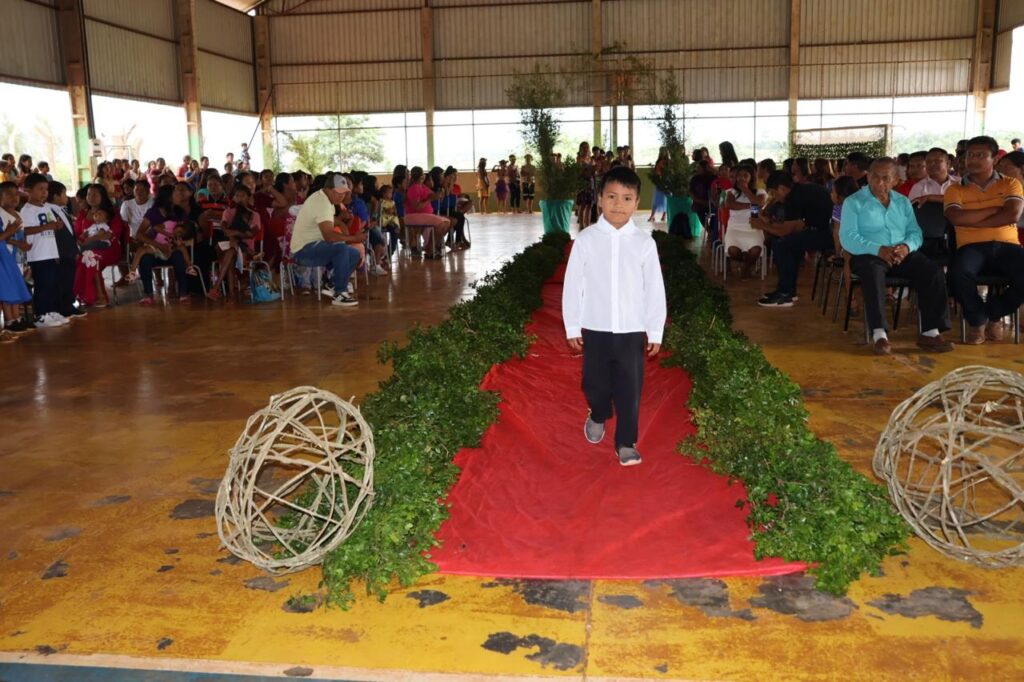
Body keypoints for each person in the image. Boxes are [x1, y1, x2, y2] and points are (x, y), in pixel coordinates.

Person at [563, 165, 666, 467]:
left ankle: (626, 441)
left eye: (626, 198)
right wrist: (572, 325)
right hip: (594, 327)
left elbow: (654, 289)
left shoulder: (645, 243)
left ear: (636, 203)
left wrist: (655, 330)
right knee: (593, 383)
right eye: (611, 197)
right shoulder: (586, 239)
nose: (618, 205)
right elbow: (573, 284)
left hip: (632, 330)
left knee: (629, 389)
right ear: (599, 199)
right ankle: (598, 412)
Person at [839, 158, 954, 355]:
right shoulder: (854, 202)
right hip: (868, 254)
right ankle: (879, 334)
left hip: (900, 253)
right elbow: (848, 237)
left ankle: (930, 332)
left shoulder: (902, 202)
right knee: (873, 273)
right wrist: (878, 249)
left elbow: (915, 232)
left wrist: (906, 247)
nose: (880, 182)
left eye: (886, 178)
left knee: (932, 271)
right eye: (875, 176)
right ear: (868, 176)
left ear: (895, 180)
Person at [944, 135, 1024, 344]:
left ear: (995, 158)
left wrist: (972, 221)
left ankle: (995, 313)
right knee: (958, 273)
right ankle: (977, 320)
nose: (973, 160)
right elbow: (955, 217)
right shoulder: (955, 189)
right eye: (970, 155)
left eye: (980, 155)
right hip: (971, 248)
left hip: (1007, 246)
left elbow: (1012, 215)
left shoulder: (1011, 184)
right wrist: (995, 210)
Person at [753, 170, 834, 307]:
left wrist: (762, 225)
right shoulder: (800, 191)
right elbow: (795, 226)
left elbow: (784, 231)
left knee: (781, 243)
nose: (773, 196)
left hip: (830, 235)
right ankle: (789, 291)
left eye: (773, 192)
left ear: (782, 189)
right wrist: (767, 223)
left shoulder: (793, 198)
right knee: (790, 242)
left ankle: (785, 294)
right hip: (822, 230)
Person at [290, 173, 362, 307]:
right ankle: (340, 293)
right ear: (328, 189)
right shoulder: (322, 202)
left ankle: (332, 285)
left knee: (355, 254)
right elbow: (329, 236)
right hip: (302, 251)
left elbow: (326, 219)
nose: (342, 196)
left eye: (344, 193)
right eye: (338, 192)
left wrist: (340, 223)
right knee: (341, 249)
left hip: (314, 246)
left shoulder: (324, 199)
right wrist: (354, 238)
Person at [74, 184, 125, 307]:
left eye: (95, 194)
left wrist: (92, 239)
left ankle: (101, 296)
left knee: (91, 257)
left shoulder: (112, 213)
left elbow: (112, 235)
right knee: (83, 257)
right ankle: (87, 296)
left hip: (109, 248)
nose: (91, 197)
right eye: (88, 194)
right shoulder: (83, 213)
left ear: (103, 196)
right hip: (87, 248)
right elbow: (78, 234)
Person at [0, 183, 32, 338]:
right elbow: (5, 238)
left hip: (18, 256)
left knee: (17, 285)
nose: (14, 197)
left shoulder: (18, 214)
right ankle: (9, 320)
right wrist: (13, 237)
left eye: (16, 194)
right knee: (8, 287)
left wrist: (24, 244)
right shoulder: (1, 214)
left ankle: (17, 317)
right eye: (9, 194)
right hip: (6, 256)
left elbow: (20, 233)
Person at [723, 164, 767, 277]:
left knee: (756, 250)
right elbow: (730, 204)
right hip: (735, 228)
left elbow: (759, 202)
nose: (741, 178)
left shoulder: (760, 192)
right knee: (732, 251)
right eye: (739, 175)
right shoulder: (731, 191)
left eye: (745, 175)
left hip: (753, 227)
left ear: (751, 177)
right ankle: (746, 262)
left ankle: (746, 268)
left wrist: (745, 189)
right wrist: (752, 206)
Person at [404, 166, 451, 258]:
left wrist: (440, 193)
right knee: (441, 223)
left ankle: (431, 246)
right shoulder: (414, 188)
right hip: (414, 216)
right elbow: (417, 206)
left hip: (424, 215)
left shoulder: (423, 186)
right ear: (420, 176)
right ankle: (430, 249)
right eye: (422, 174)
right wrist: (429, 199)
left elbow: (435, 196)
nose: (423, 176)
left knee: (447, 222)